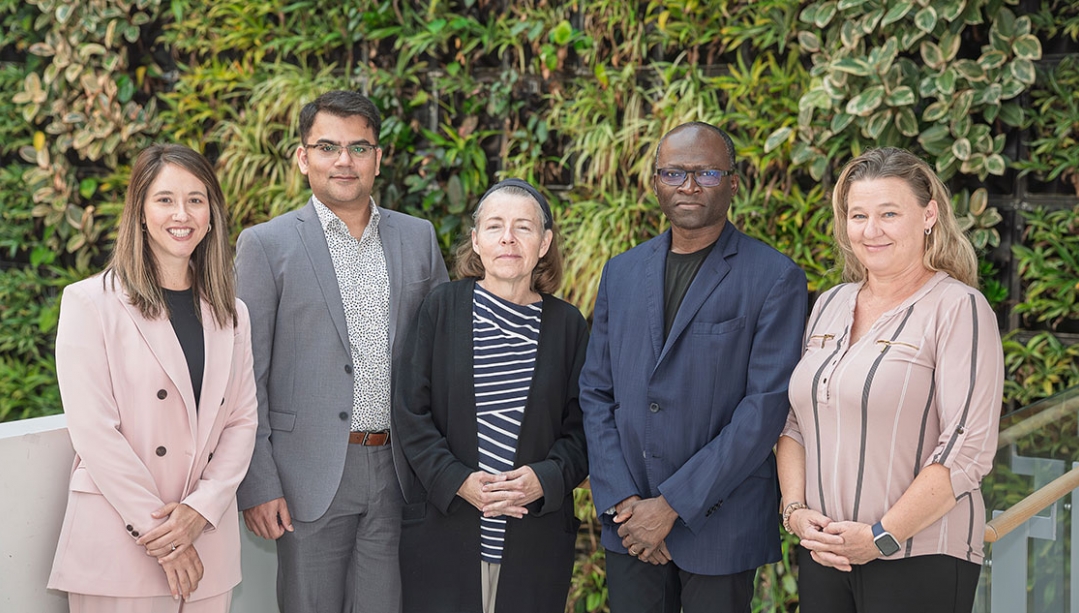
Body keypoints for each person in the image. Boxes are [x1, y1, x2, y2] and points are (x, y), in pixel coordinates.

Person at [234, 90, 449, 612]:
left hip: (399, 471)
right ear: (303, 157)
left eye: (359, 147)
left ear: (378, 157)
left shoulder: (417, 237)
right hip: (305, 474)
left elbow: (441, 360)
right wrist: (257, 484)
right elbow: (244, 376)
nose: (344, 161)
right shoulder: (266, 245)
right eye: (328, 146)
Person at [579, 122, 808, 613]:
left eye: (705, 172)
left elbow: (764, 409)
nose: (688, 185)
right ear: (656, 181)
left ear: (732, 181)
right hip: (631, 524)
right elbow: (595, 392)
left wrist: (671, 507)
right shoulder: (621, 272)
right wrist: (625, 504)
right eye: (674, 172)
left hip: (719, 527)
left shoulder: (774, 277)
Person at [776, 147, 1004, 613]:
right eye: (858, 215)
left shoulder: (958, 308)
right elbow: (794, 424)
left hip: (921, 554)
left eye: (889, 213)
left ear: (929, 215)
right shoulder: (829, 304)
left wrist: (882, 536)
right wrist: (796, 514)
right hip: (826, 552)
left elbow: (967, 449)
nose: (871, 230)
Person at [47, 144, 258, 612]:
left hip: (207, 542)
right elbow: (94, 432)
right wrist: (165, 535)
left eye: (196, 200)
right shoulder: (90, 303)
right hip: (122, 542)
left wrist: (199, 512)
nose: (181, 214)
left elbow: (242, 423)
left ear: (211, 215)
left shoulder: (232, 313)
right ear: (140, 211)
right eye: (165, 199)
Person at [392, 179, 589, 613]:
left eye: (524, 227)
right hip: (446, 532)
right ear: (477, 241)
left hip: (532, 540)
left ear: (544, 243)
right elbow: (410, 412)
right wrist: (457, 480)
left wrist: (546, 477)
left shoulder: (568, 326)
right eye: (495, 226)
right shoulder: (441, 307)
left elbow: (584, 431)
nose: (508, 238)